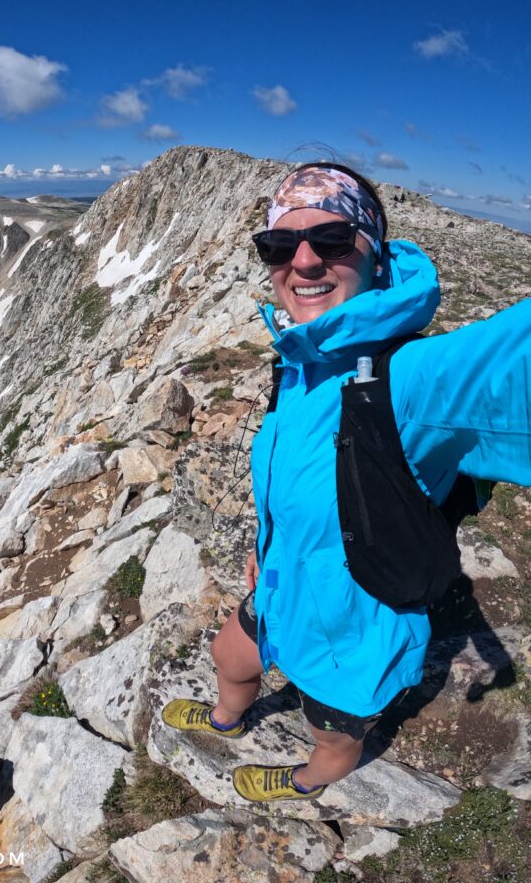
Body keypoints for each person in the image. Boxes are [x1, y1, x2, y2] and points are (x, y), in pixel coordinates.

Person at [162, 161, 531, 801]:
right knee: (229, 658)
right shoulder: (302, 362)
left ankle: (313, 777)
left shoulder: (410, 379)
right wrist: (265, 547)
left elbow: (511, 360)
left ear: (377, 257)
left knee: (331, 733)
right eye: (279, 245)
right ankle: (229, 716)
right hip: (283, 589)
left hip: (352, 632)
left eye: (332, 240)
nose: (302, 262)